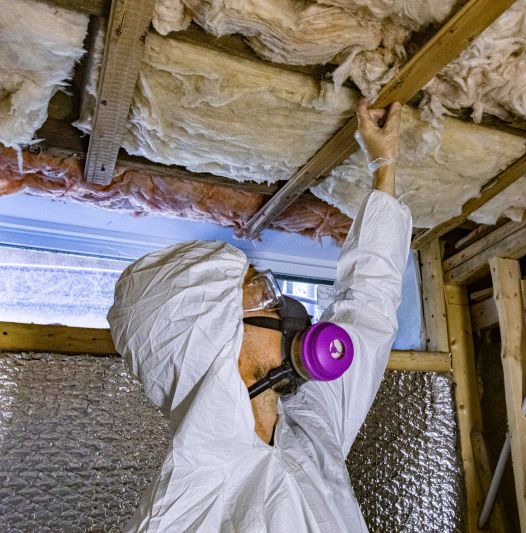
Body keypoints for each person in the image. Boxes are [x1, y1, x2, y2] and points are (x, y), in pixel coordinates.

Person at [107, 99, 411, 531]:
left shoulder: (305, 425)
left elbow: (368, 304)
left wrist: (384, 166)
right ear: (215, 337)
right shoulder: (184, 516)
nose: (284, 306)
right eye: (262, 293)